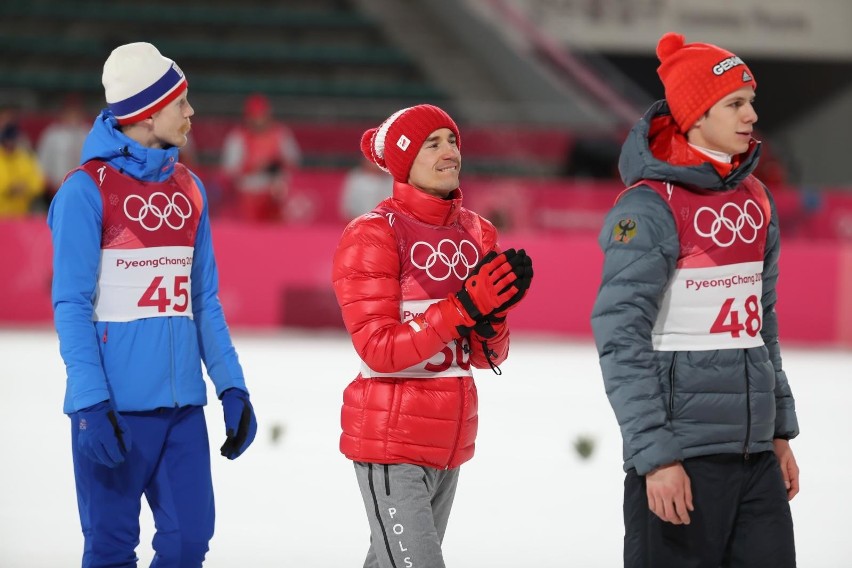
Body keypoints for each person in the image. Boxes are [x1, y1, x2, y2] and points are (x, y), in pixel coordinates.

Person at [590, 33, 800, 568]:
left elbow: (761, 324)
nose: (751, 114)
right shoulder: (648, 207)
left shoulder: (756, 198)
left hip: (755, 461)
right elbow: (620, 338)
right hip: (680, 459)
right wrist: (656, 457)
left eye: (750, 100)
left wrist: (778, 431)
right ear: (695, 117)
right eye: (734, 103)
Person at [47, 42, 257, 567]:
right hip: (113, 409)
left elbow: (203, 300)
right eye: (180, 102)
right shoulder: (84, 191)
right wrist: (91, 402)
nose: (191, 113)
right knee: (111, 549)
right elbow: (70, 305)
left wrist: (230, 384)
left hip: (183, 409)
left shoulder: (190, 188)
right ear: (145, 112)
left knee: (189, 543)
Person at [331, 104, 533, 568]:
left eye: (453, 140)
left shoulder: (478, 232)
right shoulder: (373, 234)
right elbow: (378, 350)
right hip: (391, 439)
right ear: (403, 159)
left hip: (449, 444)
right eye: (432, 142)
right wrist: (464, 307)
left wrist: (492, 320)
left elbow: (487, 357)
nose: (450, 151)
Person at [220, 92, 301, 222]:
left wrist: (276, 162)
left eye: (262, 115)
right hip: (248, 192)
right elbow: (229, 171)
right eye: (255, 116)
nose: (259, 120)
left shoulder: (280, 134)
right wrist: (255, 166)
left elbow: (294, 161)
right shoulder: (238, 137)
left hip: (275, 192)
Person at [36, 93, 90, 204]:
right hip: (55, 190)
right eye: (70, 112)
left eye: (76, 112)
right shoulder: (52, 134)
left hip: (83, 189)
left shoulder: (88, 133)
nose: (73, 115)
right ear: (63, 113)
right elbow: (42, 163)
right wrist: (49, 184)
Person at [0, 113, 46, 217]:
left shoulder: (25, 158)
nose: (9, 143)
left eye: (11, 139)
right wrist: (8, 188)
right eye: (7, 140)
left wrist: (26, 187)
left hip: (21, 216)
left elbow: (38, 183)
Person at [339, 154, 393, 220]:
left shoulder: (391, 180)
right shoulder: (355, 177)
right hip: (358, 221)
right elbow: (347, 206)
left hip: (385, 222)